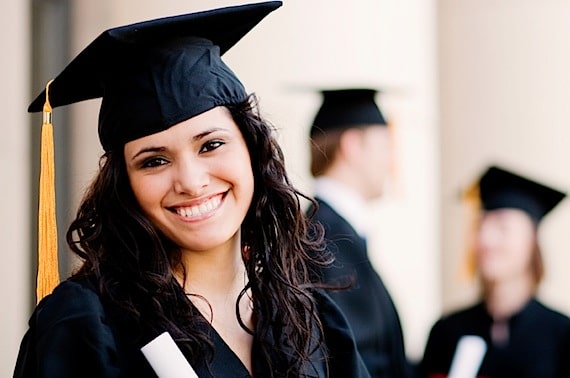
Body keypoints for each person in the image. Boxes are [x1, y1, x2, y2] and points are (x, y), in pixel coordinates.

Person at [14, 3, 371, 377]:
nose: (190, 181)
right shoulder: (87, 325)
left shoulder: (310, 318)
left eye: (211, 145)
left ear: (252, 150)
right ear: (124, 184)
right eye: (154, 161)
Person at [421, 165, 570, 378]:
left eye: (502, 228)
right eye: (481, 227)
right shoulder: (447, 331)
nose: (486, 240)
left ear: (531, 241)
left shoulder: (561, 334)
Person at [307, 88, 413, 377]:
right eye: (384, 147)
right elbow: (359, 357)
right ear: (352, 146)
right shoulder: (324, 241)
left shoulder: (335, 232)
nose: (391, 163)